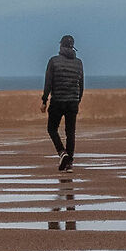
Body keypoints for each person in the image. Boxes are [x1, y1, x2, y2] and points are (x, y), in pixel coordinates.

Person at [41, 35, 84, 169]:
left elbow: (48, 83)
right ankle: (69, 163)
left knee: (52, 129)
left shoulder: (53, 61)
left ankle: (62, 153)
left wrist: (44, 100)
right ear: (72, 47)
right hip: (73, 102)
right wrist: (77, 101)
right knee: (70, 132)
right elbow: (81, 85)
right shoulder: (79, 63)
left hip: (57, 101)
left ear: (61, 46)